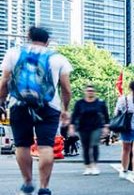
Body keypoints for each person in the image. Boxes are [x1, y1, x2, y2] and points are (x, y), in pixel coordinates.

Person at [0, 27, 72, 195]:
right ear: (47, 41)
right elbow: (66, 89)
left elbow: (4, 82)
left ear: (29, 37)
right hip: (49, 106)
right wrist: (65, 109)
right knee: (46, 146)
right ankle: (44, 188)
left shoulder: (13, 53)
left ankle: (27, 184)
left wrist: (1, 103)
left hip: (18, 104)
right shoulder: (58, 58)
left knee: (22, 145)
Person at [70, 85, 110, 175]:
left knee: (95, 145)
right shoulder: (80, 103)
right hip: (83, 127)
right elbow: (74, 116)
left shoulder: (100, 103)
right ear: (85, 92)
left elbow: (106, 115)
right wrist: (71, 127)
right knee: (86, 147)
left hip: (96, 127)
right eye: (88, 90)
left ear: (95, 92)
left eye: (92, 90)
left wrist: (106, 127)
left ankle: (94, 165)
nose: (90, 92)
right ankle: (87, 166)